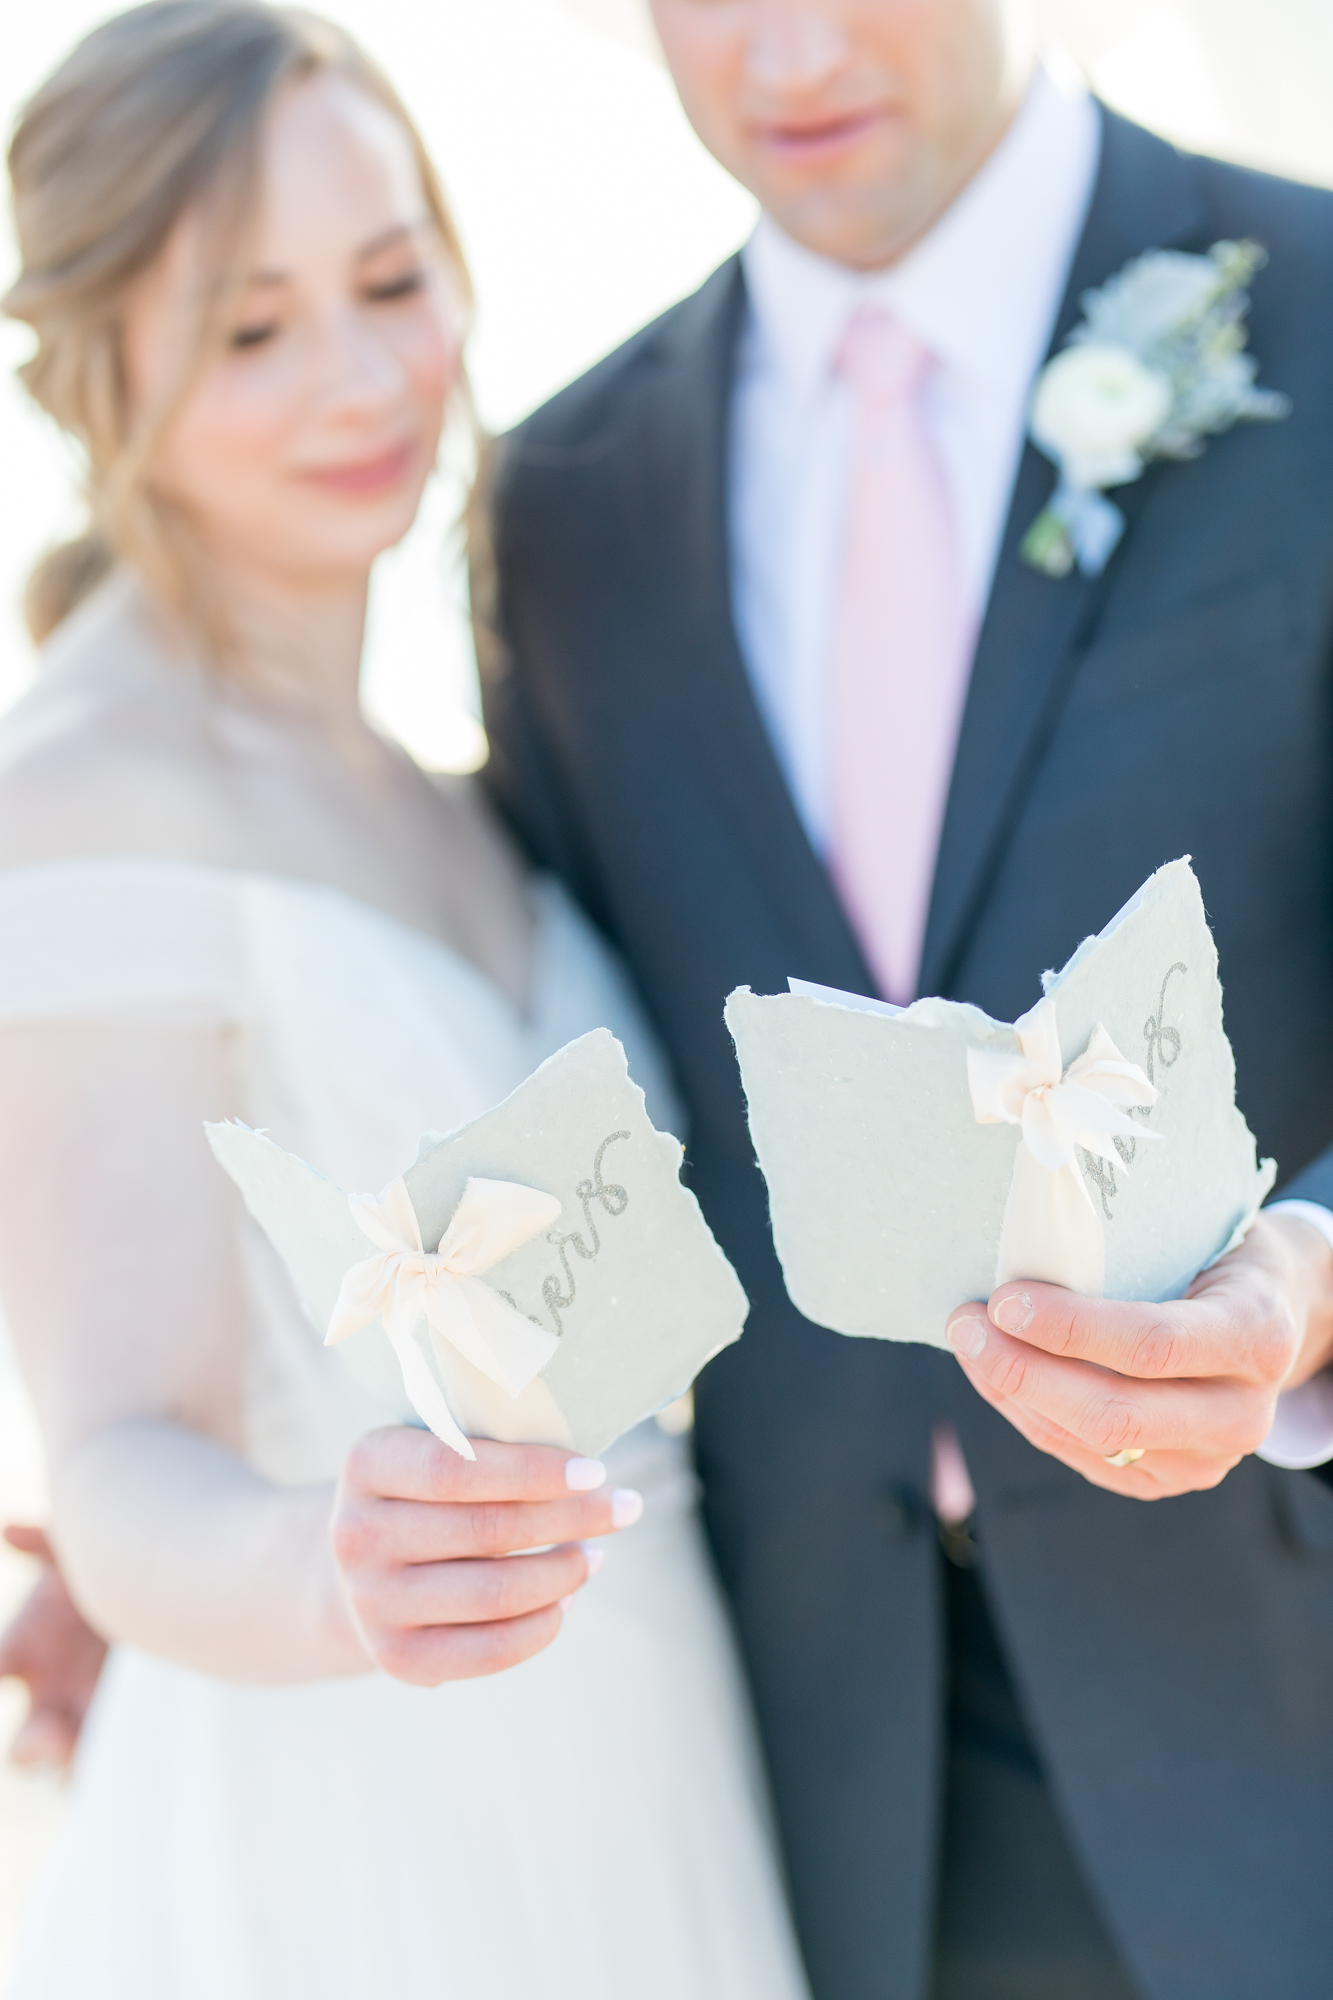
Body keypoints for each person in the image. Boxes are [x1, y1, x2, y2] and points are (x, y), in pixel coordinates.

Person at [473, 3, 1333, 1997]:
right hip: (836, 1777)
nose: (785, 49)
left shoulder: (1322, 311)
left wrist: (1303, 1278)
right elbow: (571, 1093)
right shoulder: (563, 501)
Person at [0, 7, 812, 1997]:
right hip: (356, 1809)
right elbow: (116, 1457)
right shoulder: (86, 793)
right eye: (248, 328)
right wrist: (328, 1569)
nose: (361, 378)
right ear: (101, 364)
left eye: (390, 279)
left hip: (647, 1746)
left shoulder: (461, 776)